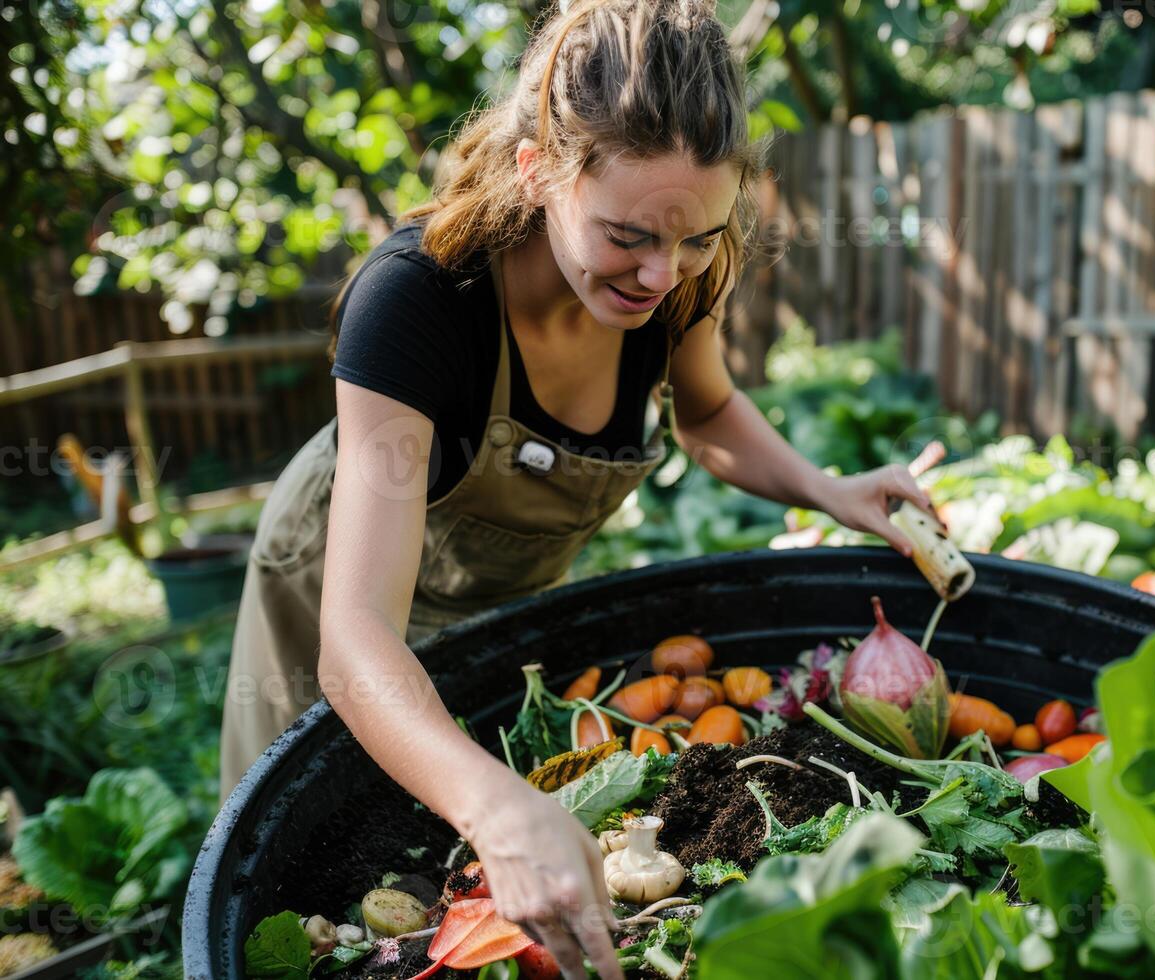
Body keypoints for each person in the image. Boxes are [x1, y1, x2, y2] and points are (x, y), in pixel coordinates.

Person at [218, 1, 934, 975]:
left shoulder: (679, 260)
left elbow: (711, 414)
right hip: (343, 587)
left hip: (496, 598)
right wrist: (495, 804)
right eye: (626, 235)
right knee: (313, 880)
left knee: (468, 882)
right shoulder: (418, 300)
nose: (659, 276)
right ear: (536, 173)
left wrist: (826, 488)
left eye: (694, 240)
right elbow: (358, 641)